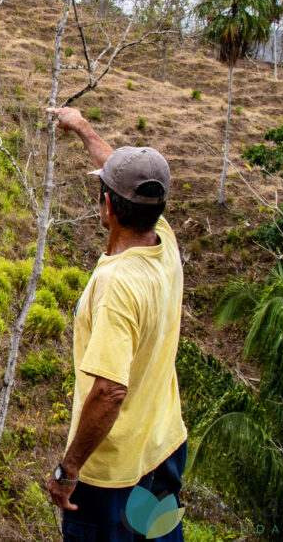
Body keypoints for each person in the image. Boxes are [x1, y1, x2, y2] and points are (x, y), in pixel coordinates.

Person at [44, 106, 188, 542]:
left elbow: (109, 391)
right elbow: (121, 173)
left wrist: (68, 470)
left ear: (107, 206)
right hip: (163, 447)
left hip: (113, 476)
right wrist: (83, 128)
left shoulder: (118, 283)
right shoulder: (163, 238)